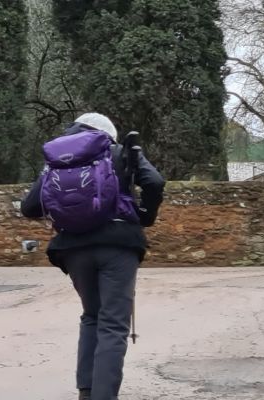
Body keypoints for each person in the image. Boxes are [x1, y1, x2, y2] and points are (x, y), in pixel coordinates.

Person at [19, 113, 165, 400]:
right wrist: (145, 216)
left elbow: (30, 207)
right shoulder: (119, 151)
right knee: (113, 323)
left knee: (91, 317)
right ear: (107, 134)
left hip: (73, 249)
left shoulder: (58, 159)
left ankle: (86, 392)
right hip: (118, 245)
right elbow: (154, 182)